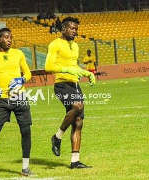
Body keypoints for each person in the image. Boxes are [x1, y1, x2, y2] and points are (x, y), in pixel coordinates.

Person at [0, 27, 33, 177]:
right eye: (6, 37)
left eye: (11, 37)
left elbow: (27, 72)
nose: (10, 40)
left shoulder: (18, 53)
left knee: (26, 130)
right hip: (1, 99)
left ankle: (25, 168)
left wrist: (22, 79)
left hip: (19, 96)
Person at [45, 17, 95, 169]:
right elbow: (48, 66)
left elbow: (74, 66)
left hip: (75, 85)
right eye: (72, 28)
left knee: (78, 122)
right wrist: (66, 70)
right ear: (64, 28)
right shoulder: (55, 44)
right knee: (78, 107)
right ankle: (57, 137)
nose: (75, 31)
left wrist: (86, 73)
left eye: (76, 29)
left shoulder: (75, 46)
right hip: (62, 85)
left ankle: (75, 161)